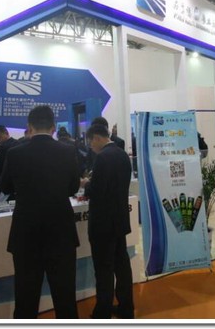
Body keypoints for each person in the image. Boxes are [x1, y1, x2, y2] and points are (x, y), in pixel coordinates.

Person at [0, 105, 80, 319]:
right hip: (61, 232)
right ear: (53, 127)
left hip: (26, 233)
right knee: (65, 297)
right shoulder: (67, 151)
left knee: (25, 298)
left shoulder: (15, 153)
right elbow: (73, 188)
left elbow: (5, 187)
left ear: (30, 126)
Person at [81, 123, 134, 319]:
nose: (90, 147)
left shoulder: (103, 157)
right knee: (122, 266)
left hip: (103, 223)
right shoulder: (122, 154)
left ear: (97, 137)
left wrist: (86, 185)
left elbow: (97, 190)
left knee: (104, 269)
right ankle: (126, 307)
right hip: (119, 219)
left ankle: (102, 313)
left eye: (90, 142)